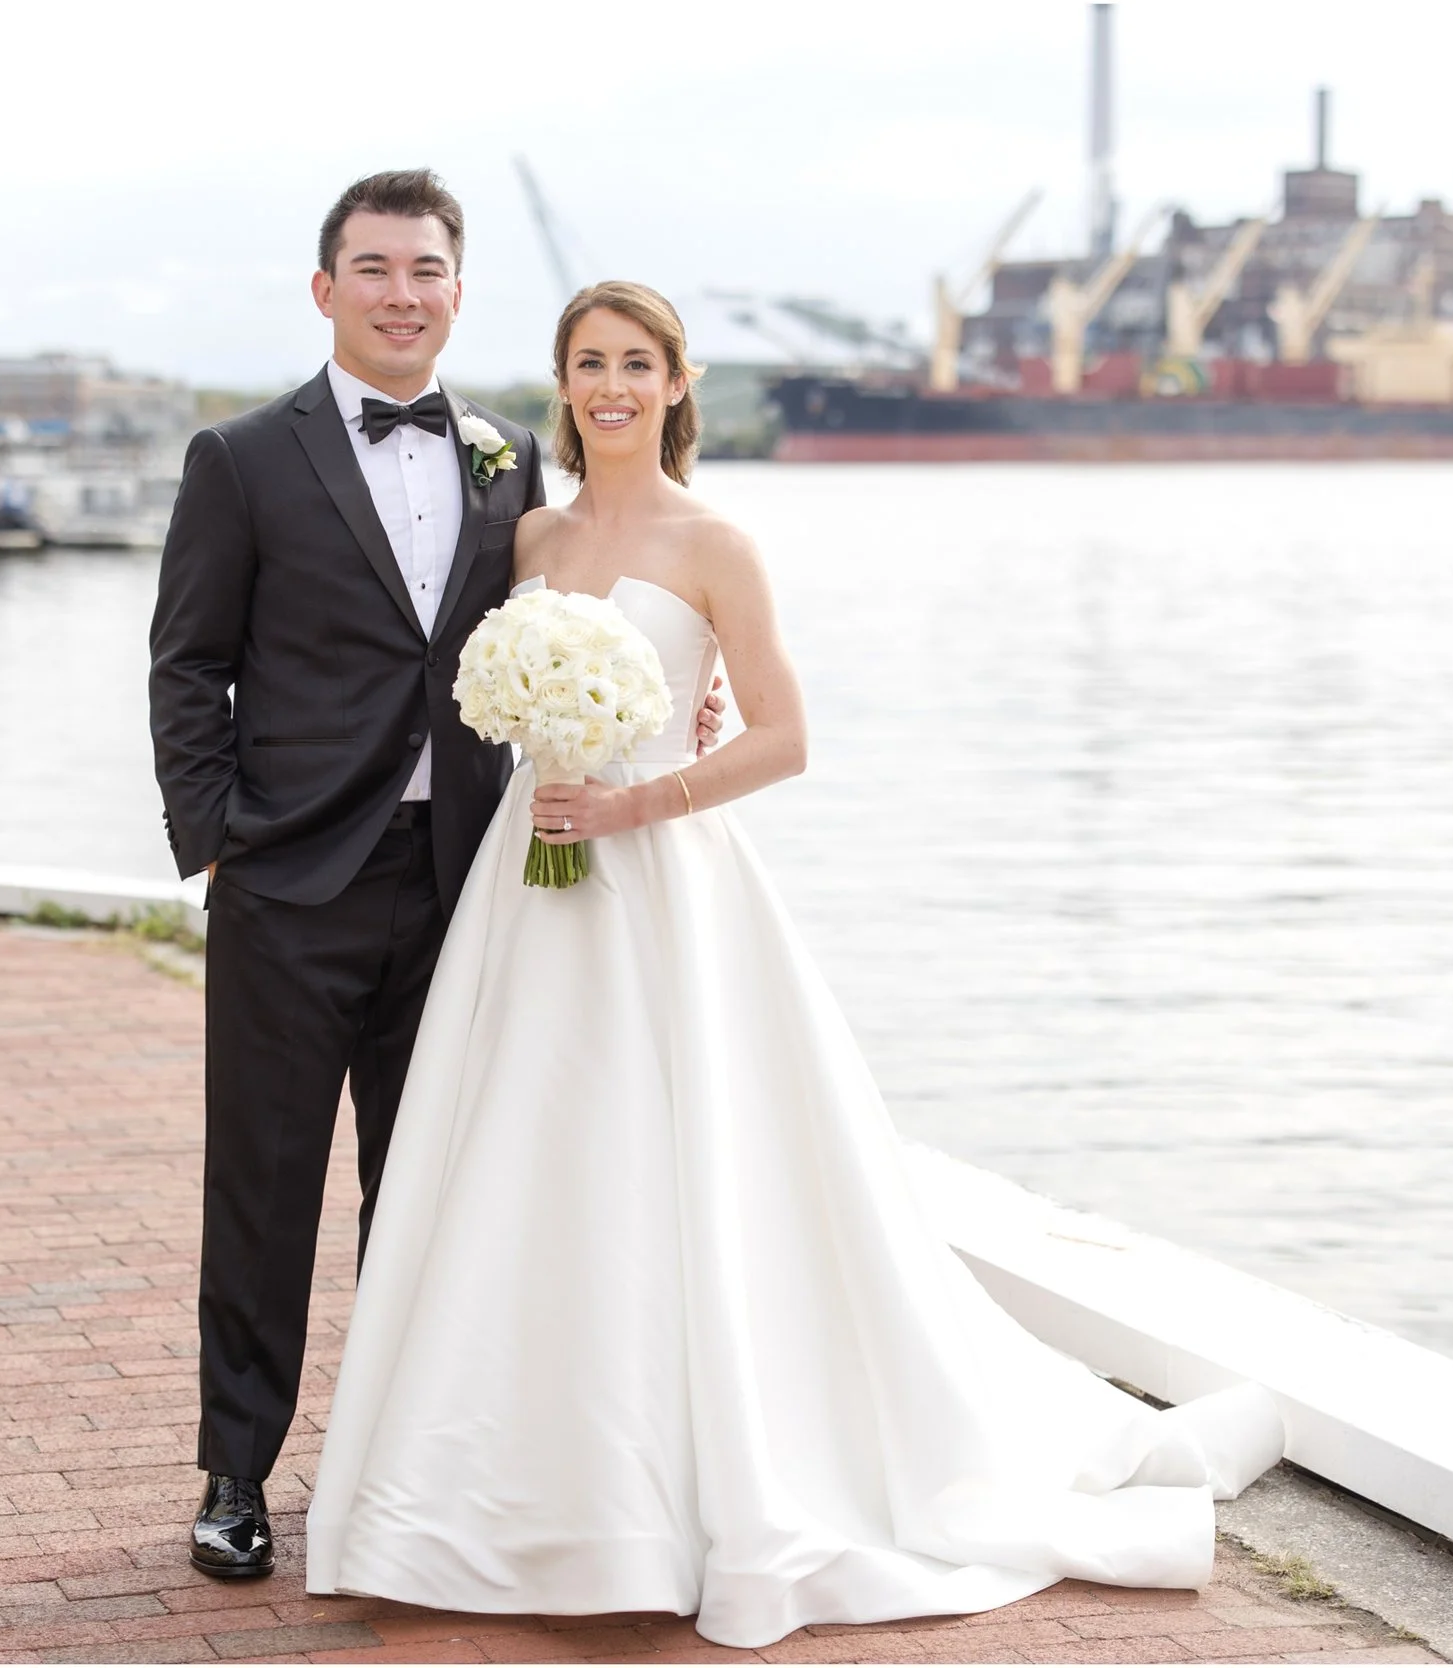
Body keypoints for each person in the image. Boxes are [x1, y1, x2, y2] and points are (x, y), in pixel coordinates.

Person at [302, 281, 1286, 1648]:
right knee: (527, 1167)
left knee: (687, 1167)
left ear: (677, 379)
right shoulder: (527, 531)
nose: (611, 388)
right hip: (529, 897)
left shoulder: (718, 543)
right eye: (589, 364)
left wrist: (641, 800)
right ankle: (495, 1494)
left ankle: (698, 1490)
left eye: (636, 364)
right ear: (564, 382)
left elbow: (781, 737)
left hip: (666, 887)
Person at [148, 174, 727, 1580]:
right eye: (375, 268)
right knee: (266, 1186)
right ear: (326, 287)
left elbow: (565, 625)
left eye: (427, 270)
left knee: (436, 1192)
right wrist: (220, 838)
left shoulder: (509, 456)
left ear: (460, 291)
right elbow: (187, 665)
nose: (403, 292)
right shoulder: (243, 458)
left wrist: (675, 695)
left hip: (475, 885)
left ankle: (398, 1465)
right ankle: (238, 1472)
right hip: (291, 882)